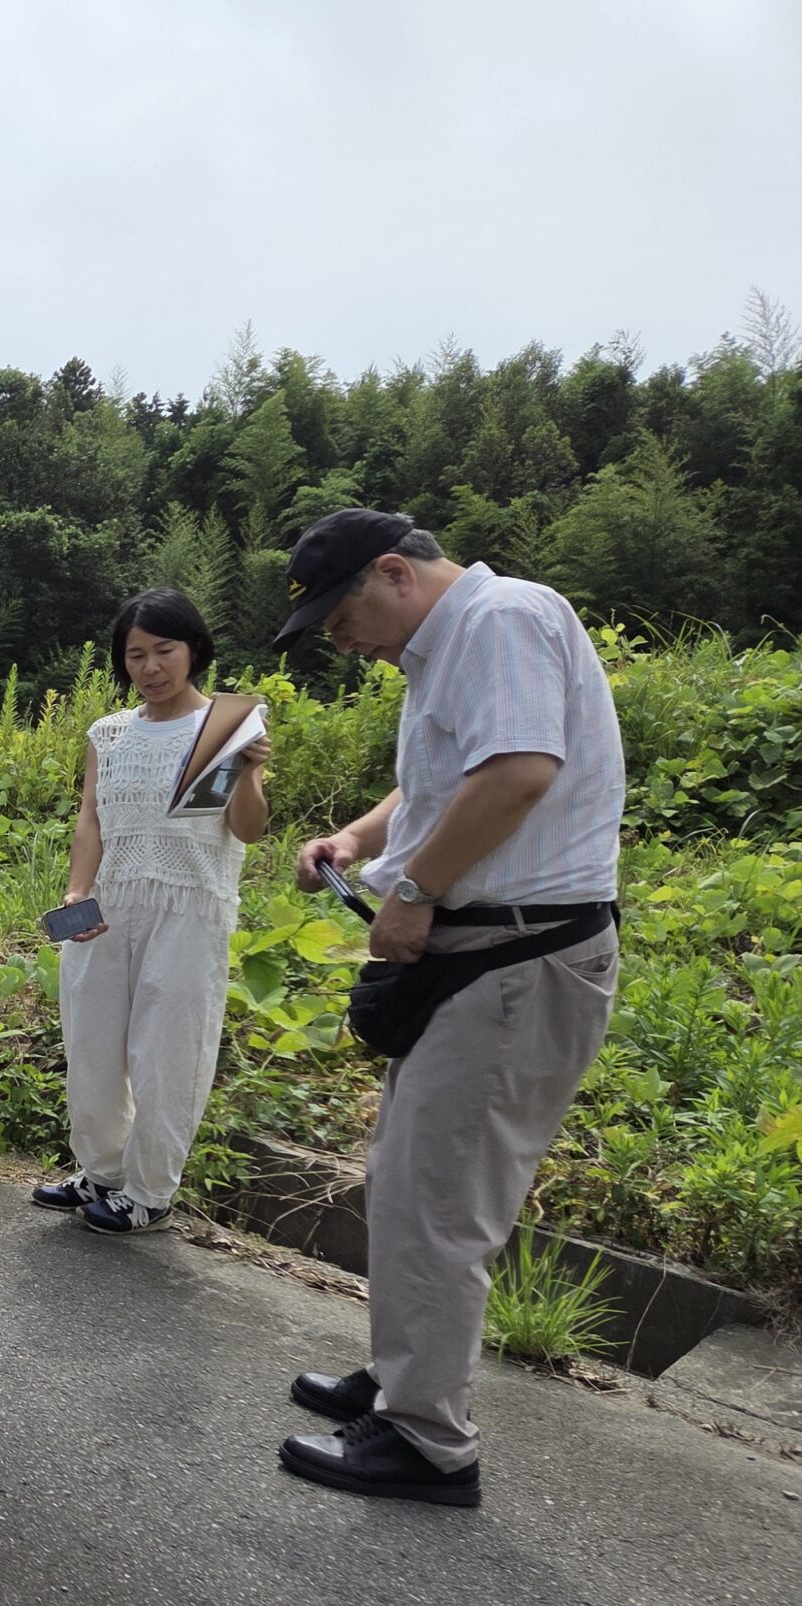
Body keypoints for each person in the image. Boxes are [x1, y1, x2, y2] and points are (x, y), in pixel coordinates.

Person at [278, 511, 623, 1508]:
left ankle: (427, 1442)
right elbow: (447, 775)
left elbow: (518, 773)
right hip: (484, 954)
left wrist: (416, 886)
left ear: (394, 572)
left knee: (440, 1200)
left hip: (514, 953)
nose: (342, 642)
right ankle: (401, 1380)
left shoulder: (501, 619)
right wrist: (356, 839)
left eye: (341, 616)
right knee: (409, 1179)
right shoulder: (451, 648)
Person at [33, 589, 268, 1234]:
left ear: (194, 649)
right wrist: (77, 893)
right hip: (108, 907)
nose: (150, 667)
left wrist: (248, 773)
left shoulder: (229, 726)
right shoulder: (107, 734)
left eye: (164, 650)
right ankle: (101, 1173)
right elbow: (91, 822)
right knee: (93, 1044)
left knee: (170, 1050)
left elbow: (248, 831)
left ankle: (150, 1191)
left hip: (190, 909)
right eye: (135, 654)